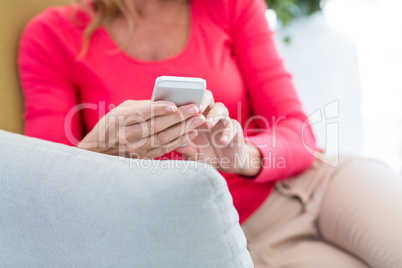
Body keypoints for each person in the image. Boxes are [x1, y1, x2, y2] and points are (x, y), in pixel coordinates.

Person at [18, 0, 402, 267]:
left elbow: (298, 132)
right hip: (235, 234)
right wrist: (98, 152)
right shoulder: (51, 37)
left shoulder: (227, 4)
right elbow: (44, 197)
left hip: (318, 182)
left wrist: (242, 155)